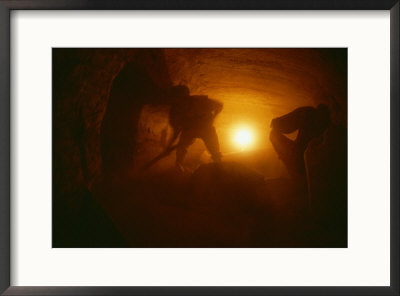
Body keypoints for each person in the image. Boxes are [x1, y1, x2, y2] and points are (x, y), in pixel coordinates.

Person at [169, 85, 223, 170]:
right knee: (181, 147)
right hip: (189, 129)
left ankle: (218, 164)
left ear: (186, 96)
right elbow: (175, 127)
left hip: (206, 128)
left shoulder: (200, 101)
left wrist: (213, 117)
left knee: (214, 148)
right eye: (176, 98)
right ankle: (178, 164)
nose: (178, 100)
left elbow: (219, 106)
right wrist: (170, 143)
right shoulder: (175, 109)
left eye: (181, 97)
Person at [269, 104, 331, 178]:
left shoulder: (309, 113)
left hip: (301, 161)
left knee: (273, 134)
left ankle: (290, 166)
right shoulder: (336, 125)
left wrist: (275, 123)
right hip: (322, 165)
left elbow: (281, 125)